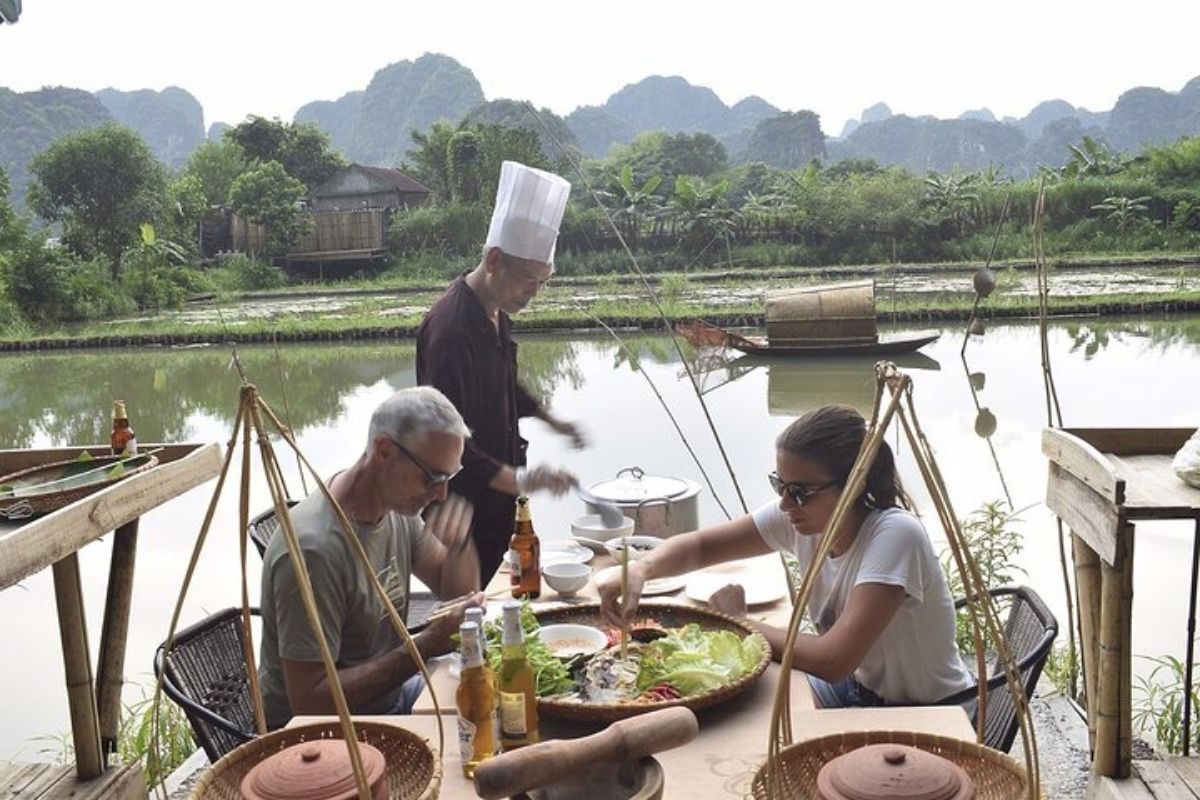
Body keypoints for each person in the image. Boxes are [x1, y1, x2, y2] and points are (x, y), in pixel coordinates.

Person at [597, 405, 974, 708]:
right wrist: (642, 568)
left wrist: (734, 622)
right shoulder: (802, 517)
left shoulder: (894, 536)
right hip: (859, 692)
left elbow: (832, 660)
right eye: (780, 485)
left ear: (853, 485)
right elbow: (702, 547)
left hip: (929, 714)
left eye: (799, 491)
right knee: (748, 707)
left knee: (760, 727)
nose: (784, 503)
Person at [258, 387, 486, 729]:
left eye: (450, 477)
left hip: (388, 699)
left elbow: (454, 592)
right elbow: (310, 702)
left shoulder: (396, 507)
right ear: (383, 451)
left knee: (492, 702)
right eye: (433, 478)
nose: (441, 494)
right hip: (325, 737)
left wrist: (460, 546)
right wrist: (423, 647)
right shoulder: (313, 551)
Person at [417, 160, 586, 583]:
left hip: (499, 504)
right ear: (495, 259)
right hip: (461, 512)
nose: (534, 292)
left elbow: (504, 385)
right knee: (464, 614)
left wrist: (553, 420)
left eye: (543, 282)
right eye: (529, 279)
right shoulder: (451, 331)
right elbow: (447, 441)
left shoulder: (496, 311)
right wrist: (524, 478)